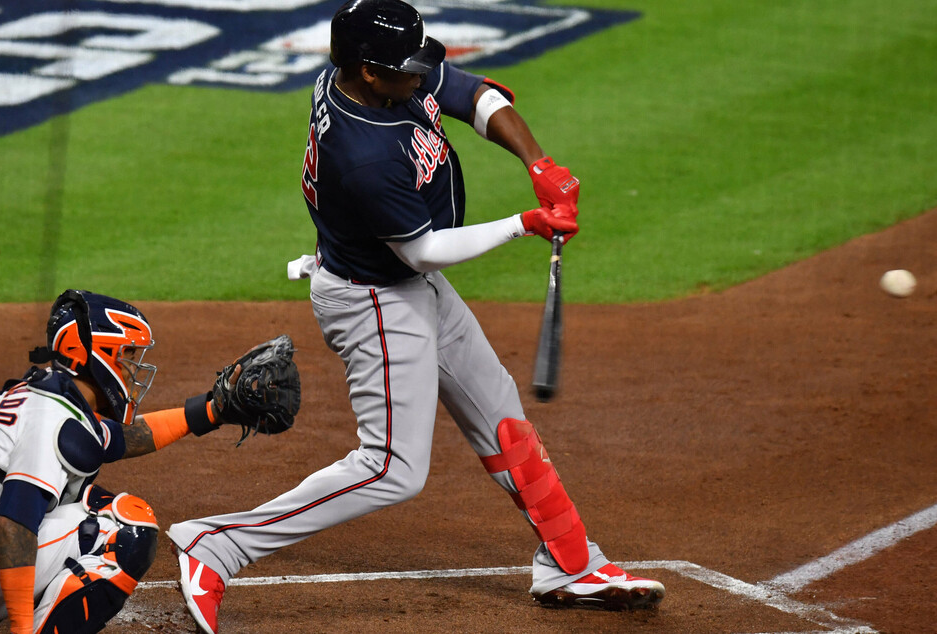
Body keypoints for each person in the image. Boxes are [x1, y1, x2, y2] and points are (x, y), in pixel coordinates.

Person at [168, 1, 665, 631]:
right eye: (408, 69)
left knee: (499, 411)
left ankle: (572, 563)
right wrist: (526, 223)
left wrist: (535, 162)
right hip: (373, 298)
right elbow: (424, 249)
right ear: (369, 73)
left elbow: (475, 95)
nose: (423, 75)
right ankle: (218, 545)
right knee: (392, 469)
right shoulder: (361, 153)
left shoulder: (372, 76)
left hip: (406, 283)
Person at [0, 289, 269, 633]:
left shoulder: (34, 396)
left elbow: (123, 438)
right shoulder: (52, 421)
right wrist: (18, 624)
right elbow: (13, 526)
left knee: (86, 499)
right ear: (97, 355)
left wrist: (212, 411)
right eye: (127, 354)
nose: (134, 367)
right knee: (124, 531)